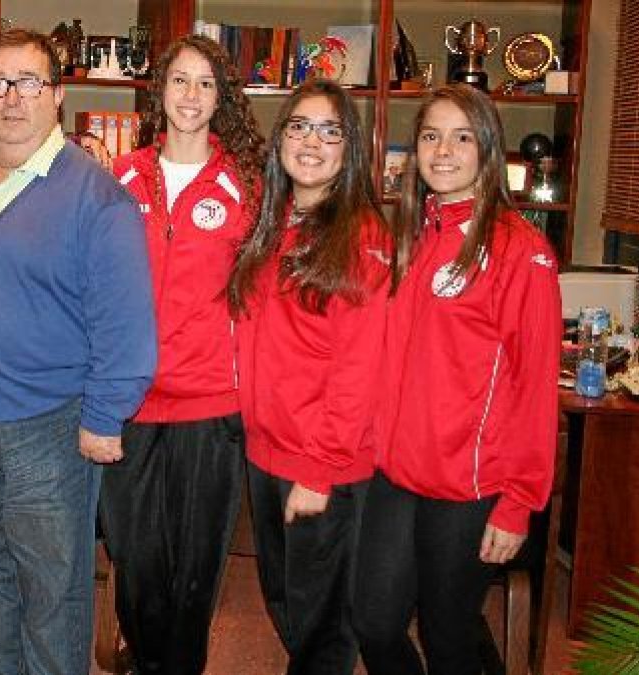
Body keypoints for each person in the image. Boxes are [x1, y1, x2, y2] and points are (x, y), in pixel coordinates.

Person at [0, 28, 157, 675]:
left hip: (43, 429)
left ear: (57, 96)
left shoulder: (95, 195)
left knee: (52, 588)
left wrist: (105, 415)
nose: (11, 97)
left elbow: (127, 323)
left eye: (28, 83)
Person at [352, 84, 561, 675]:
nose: (443, 150)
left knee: (449, 636)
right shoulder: (412, 238)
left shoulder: (522, 251)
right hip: (396, 472)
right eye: (430, 136)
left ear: (487, 149)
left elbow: (534, 386)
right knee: (373, 620)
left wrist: (518, 502)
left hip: (471, 484)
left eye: (461, 136)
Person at [98, 34, 263, 675]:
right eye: (179, 81)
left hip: (211, 406)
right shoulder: (121, 176)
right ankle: (146, 657)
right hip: (132, 401)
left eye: (205, 84)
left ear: (220, 97)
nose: (190, 96)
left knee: (196, 570)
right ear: (158, 90)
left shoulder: (245, 182)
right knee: (135, 562)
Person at [228, 79, 391, 675]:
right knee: (286, 606)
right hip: (267, 452)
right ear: (280, 141)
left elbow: (359, 370)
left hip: (323, 465)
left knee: (323, 629)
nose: (312, 141)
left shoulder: (362, 237)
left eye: (331, 130)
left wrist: (318, 473)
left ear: (351, 151)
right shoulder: (272, 225)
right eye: (299, 126)